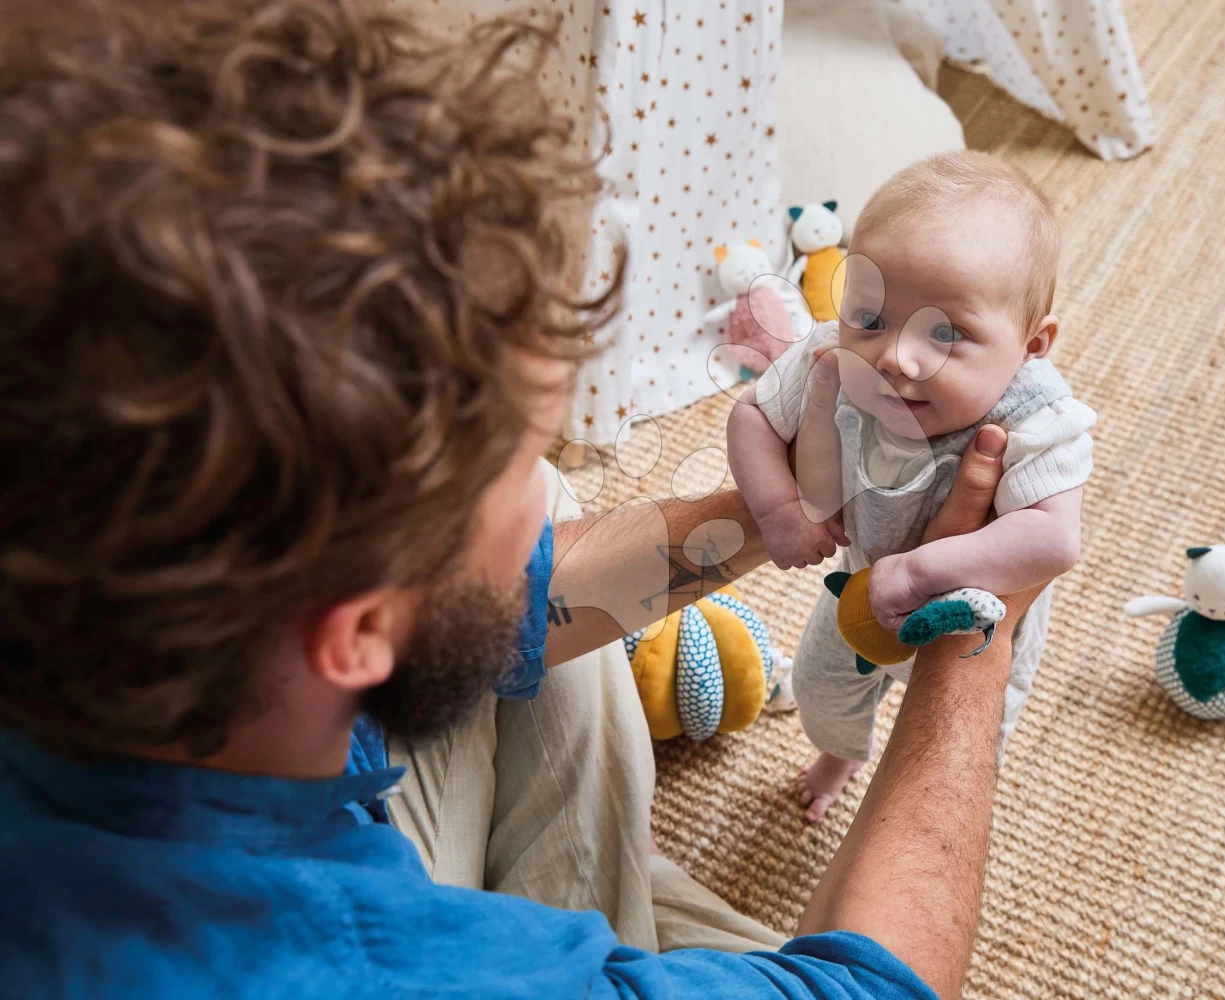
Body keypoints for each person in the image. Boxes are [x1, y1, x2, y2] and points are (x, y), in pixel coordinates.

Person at [0, 3, 1052, 998]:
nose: (540, 476)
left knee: (498, 582)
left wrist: (784, 510)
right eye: (518, 448)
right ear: (360, 627)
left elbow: (499, 586)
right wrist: (976, 600)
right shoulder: (369, 967)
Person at [727, 151, 1096, 820]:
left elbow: (1053, 538)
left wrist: (925, 570)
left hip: (973, 628)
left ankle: (917, 816)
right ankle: (841, 753)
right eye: (872, 317)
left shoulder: (1036, 417)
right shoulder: (832, 354)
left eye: (948, 333)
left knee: (956, 752)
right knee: (819, 690)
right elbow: (751, 414)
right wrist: (780, 508)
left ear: (1032, 346)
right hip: (860, 585)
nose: (897, 355)